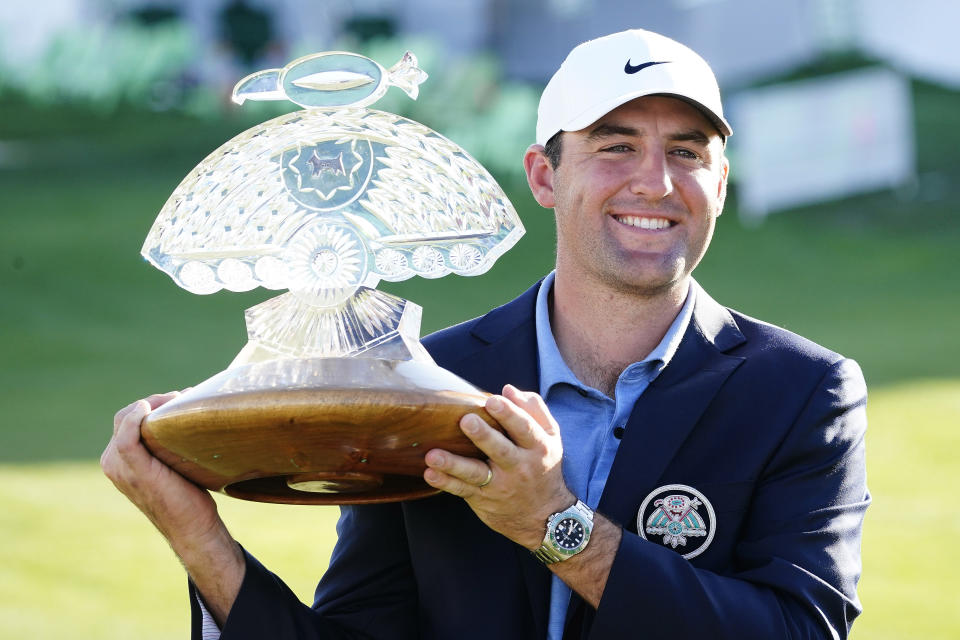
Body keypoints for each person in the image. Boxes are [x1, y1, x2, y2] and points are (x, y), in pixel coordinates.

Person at [102, 29, 869, 639]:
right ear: (542, 175)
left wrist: (555, 526)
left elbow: (802, 630)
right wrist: (199, 541)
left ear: (721, 183)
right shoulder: (418, 385)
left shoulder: (802, 392)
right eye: (615, 145)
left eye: (688, 152)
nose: (656, 182)